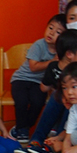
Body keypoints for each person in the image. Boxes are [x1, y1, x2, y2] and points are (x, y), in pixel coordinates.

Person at [15, 29, 77, 153]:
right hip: (62, 102)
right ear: (70, 54)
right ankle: (37, 141)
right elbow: (44, 88)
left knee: (65, 97)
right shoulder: (74, 69)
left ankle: (51, 144)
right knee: (59, 95)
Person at [9, 14, 66, 142]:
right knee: (21, 101)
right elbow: (33, 67)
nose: (51, 33)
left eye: (58, 32)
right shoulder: (39, 45)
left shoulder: (61, 51)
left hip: (38, 83)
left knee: (38, 102)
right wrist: (52, 61)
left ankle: (22, 127)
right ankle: (22, 130)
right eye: (50, 28)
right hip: (21, 79)